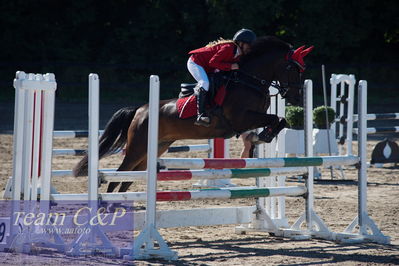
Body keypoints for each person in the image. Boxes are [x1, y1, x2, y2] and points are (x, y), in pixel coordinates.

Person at [187, 28, 256, 127]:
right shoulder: (228, 48)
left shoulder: (239, 55)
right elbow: (213, 62)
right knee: (205, 83)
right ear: (241, 43)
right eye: (249, 45)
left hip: (209, 66)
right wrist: (230, 66)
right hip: (196, 62)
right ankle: (200, 114)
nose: (250, 48)